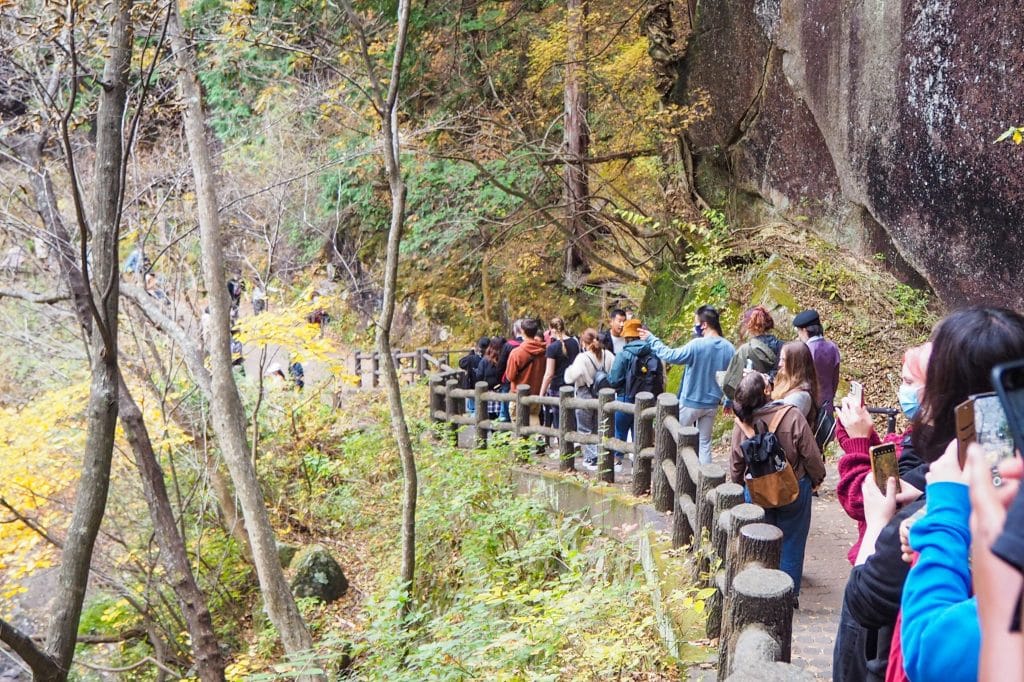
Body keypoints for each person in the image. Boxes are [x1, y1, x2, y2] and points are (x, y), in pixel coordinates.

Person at [833, 307, 1024, 682]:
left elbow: (872, 605)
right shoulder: (936, 471)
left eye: (921, 382)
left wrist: (886, 524)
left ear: (944, 396)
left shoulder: (943, 497)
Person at [729, 371, 825, 601]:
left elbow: (736, 463)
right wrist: (817, 478)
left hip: (758, 490)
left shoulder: (743, 424)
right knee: (792, 542)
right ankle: (787, 597)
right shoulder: (791, 416)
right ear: (766, 391)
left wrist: (739, 486)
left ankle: (760, 593)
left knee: (761, 542)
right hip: (793, 487)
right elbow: (810, 454)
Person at [835, 343, 931, 564]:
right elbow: (890, 471)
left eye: (908, 382)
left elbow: (864, 499)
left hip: (881, 560)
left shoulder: (935, 448)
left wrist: (858, 442)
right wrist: (863, 435)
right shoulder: (917, 432)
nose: (901, 389)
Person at [638, 305, 735, 464]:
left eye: (695, 322)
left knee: (672, 437)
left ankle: (671, 474)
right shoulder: (729, 348)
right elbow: (731, 378)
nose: (694, 326)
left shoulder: (697, 345)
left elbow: (670, 355)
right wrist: (728, 400)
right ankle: (704, 481)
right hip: (711, 404)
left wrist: (651, 339)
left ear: (704, 325)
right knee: (705, 444)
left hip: (690, 402)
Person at [607, 318, 663, 472]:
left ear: (627, 337)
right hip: (647, 401)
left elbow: (614, 380)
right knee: (640, 433)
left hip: (625, 398)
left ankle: (617, 462)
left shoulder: (623, 355)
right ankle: (638, 466)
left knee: (620, 432)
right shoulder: (653, 353)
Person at [564, 328, 615, 470]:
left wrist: (569, 371)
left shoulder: (582, 357)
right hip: (603, 395)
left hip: (584, 393)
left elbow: (570, 377)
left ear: (583, 342)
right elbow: (615, 373)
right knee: (600, 427)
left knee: (585, 428)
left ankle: (591, 458)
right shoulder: (608, 355)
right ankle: (602, 456)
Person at [721, 305, 783, 403]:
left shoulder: (744, 350)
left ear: (749, 327)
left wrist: (728, 399)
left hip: (756, 401)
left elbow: (730, 383)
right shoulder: (783, 346)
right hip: (780, 397)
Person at [793, 309, 841, 409]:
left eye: (798, 331)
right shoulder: (832, 347)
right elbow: (835, 379)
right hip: (827, 402)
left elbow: (798, 380)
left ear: (805, 330)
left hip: (808, 405)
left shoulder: (804, 351)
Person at [538, 318, 579, 429]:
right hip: (572, 386)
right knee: (571, 417)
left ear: (552, 330)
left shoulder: (552, 348)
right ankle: (573, 443)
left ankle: (561, 444)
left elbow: (549, 373)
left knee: (559, 420)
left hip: (557, 387)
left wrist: (541, 394)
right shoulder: (574, 343)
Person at [504, 318, 548, 423]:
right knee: (534, 427)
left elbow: (510, 376)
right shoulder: (544, 352)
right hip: (535, 395)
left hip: (517, 395)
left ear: (522, 331)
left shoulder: (517, 353)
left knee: (519, 428)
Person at [771, 341, 820, 424]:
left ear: (795, 363)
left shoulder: (800, 397)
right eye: (780, 359)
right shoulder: (786, 380)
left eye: (783, 360)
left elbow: (781, 425)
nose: (779, 364)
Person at [496, 320, 523, 422]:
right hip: (529, 382)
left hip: (510, 383)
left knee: (506, 413)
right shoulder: (533, 345)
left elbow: (501, 366)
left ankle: (505, 435)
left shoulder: (509, 345)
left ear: (515, 330)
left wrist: (500, 381)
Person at [458, 337, 489, 415]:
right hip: (487, 387)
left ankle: (474, 425)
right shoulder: (491, 359)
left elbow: (461, 363)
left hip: (472, 387)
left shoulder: (472, 358)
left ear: (478, 347)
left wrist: (471, 353)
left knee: (473, 409)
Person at [478, 337, 505, 420]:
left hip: (488, 392)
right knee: (503, 418)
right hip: (502, 392)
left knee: (491, 419)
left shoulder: (485, 360)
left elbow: (479, 376)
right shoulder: (504, 359)